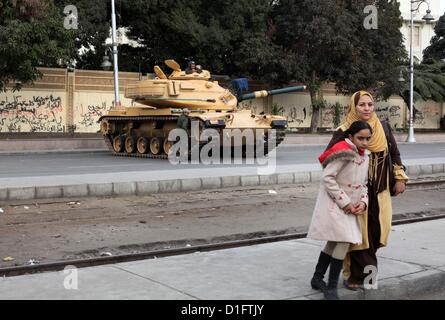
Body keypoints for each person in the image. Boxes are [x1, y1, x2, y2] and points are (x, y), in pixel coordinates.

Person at [325, 90, 409, 291]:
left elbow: (394, 154)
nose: (367, 108)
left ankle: (355, 277)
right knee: (359, 239)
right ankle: (357, 277)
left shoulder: (384, 127)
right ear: (354, 107)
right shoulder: (344, 130)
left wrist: (399, 177)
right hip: (355, 194)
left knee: (376, 234)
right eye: (362, 105)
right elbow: (328, 160)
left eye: (370, 104)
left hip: (380, 192)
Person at [308, 120, 372, 300]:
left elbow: (364, 184)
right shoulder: (343, 151)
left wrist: (363, 202)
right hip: (335, 205)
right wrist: (345, 202)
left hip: (351, 207)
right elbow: (328, 178)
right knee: (343, 241)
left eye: (368, 139)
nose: (365, 142)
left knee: (334, 242)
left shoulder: (365, 155)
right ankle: (330, 287)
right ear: (351, 137)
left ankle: (317, 278)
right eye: (361, 138)